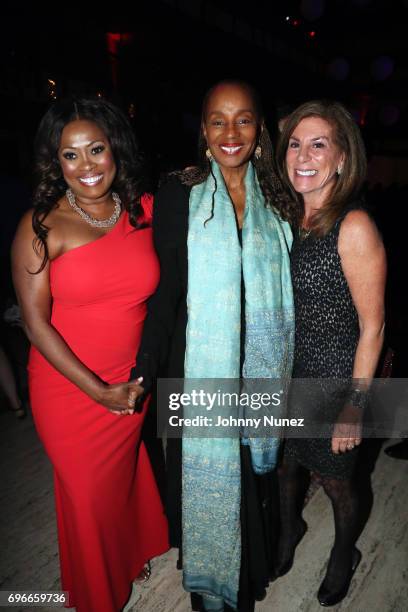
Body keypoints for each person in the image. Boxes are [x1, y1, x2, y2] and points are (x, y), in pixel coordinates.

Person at [131, 80, 297, 612]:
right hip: (200, 365)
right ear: (202, 129)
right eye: (218, 120)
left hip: (262, 365)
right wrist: (145, 364)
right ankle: (210, 590)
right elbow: (166, 292)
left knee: (252, 479)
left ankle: (247, 576)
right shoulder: (181, 191)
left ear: (260, 130)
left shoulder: (278, 194)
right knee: (207, 481)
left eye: (244, 119)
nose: (231, 132)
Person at [11, 97, 169, 612]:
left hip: (129, 381)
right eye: (71, 156)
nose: (87, 166)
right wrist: (98, 391)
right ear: (55, 164)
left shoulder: (145, 210)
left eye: (96, 149)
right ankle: (98, 594)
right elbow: (35, 325)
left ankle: (126, 552)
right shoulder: (40, 227)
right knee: (88, 497)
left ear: (115, 149)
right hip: (70, 390)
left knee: (121, 478)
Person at [275, 100, 386, 606]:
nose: (303, 155)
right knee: (285, 467)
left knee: (336, 481)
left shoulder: (354, 225)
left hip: (336, 379)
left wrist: (355, 407)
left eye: (318, 143)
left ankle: (346, 553)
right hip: (290, 374)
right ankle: (289, 531)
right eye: (295, 143)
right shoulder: (289, 219)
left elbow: (373, 326)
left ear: (342, 158)